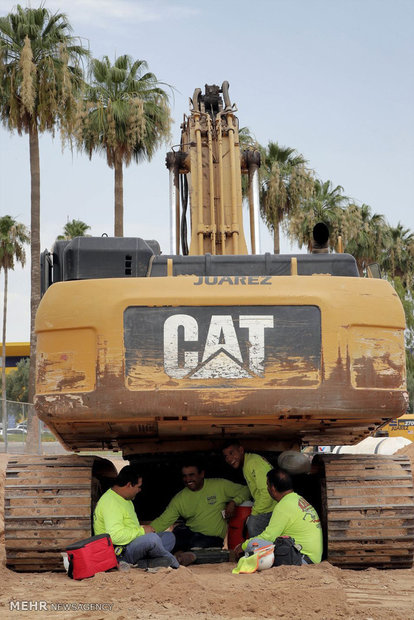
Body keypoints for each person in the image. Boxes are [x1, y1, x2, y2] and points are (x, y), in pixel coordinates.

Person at [150, 462, 251, 562]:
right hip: (189, 533)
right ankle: (179, 557)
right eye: (184, 476)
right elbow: (163, 521)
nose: (188, 479)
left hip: (211, 538)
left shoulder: (219, 485)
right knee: (174, 536)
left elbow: (246, 490)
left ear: (202, 474)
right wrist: (143, 534)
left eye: (191, 475)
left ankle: (180, 557)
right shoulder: (179, 498)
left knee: (198, 545)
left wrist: (234, 502)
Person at [93, 465, 179, 569]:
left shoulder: (125, 499)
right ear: (129, 485)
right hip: (119, 552)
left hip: (131, 544)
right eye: (138, 487)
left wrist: (142, 532)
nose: (139, 490)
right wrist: (142, 531)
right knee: (152, 539)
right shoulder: (110, 502)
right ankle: (173, 562)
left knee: (169, 537)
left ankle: (144, 563)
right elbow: (115, 536)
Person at [236, 468, 323, 565]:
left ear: (272, 488)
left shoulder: (284, 506)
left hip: (302, 558)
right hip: (312, 557)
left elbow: (268, 537)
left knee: (255, 545)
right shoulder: (297, 499)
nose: (267, 488)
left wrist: (243, 546)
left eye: (267, 485)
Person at [222, 441, 276, 537]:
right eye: (226, 456)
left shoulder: (253, 463)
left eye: (231, 453)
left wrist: (254, 513)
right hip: (268, 507)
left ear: (241, 450)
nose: (229, 458)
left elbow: (267, 491)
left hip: (270, 508)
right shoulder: (248, 463)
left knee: (253, 528)